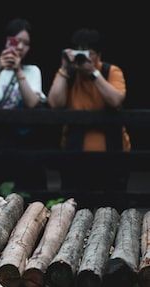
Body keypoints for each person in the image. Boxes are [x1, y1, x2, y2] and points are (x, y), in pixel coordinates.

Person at [47, 27, 131, 191]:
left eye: (87, 52)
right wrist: (64, 69)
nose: (81, 57)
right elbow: (55, 103)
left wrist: (93, 73)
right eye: (78, 52)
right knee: (75, 208)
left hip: (112, 156)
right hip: (74, 156)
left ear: (98, 55)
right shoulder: (69, 74)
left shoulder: (110, 71)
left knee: (112, 209)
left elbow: (115, 100)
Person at [0, 18, 48, 190]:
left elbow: (33, 103)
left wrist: (18, 71)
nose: (21, 47)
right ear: (6, 41)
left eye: (26, 43)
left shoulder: (32, 71)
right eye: (16, 41)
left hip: (22, 139)